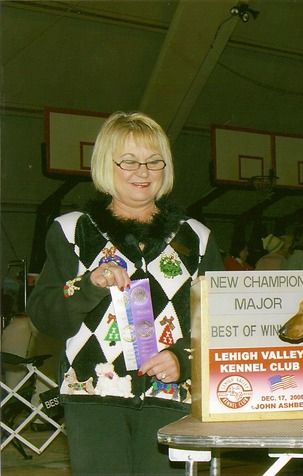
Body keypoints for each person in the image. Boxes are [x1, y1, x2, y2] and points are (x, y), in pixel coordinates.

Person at [26, 111, 224, 475]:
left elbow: (219, 321)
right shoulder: (71, 232)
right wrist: (89, 286)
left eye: (153, 161)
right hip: (93, 399)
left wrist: (182, 357)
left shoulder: (197, 237)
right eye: (129, 161)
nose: (143, 172)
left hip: (173, 398)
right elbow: (45, 316)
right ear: (106, 164)